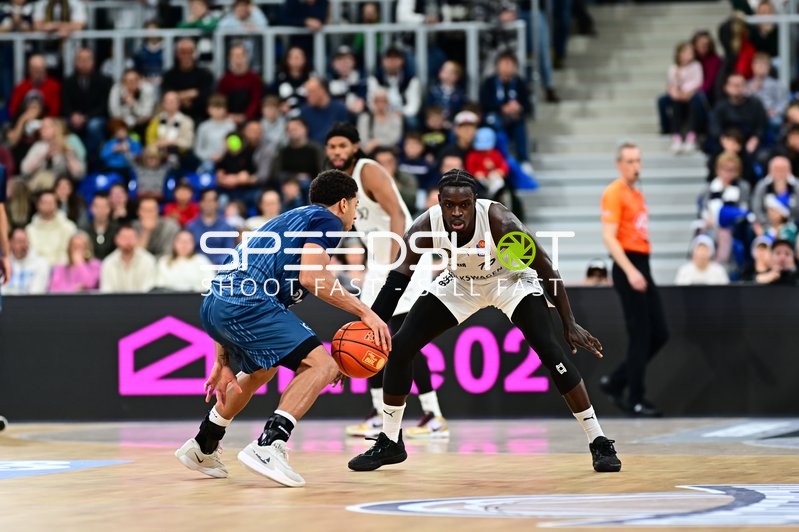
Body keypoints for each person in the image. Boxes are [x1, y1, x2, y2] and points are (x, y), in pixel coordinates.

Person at [347, 169, 621, 473]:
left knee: (550, 351)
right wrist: (368, 324)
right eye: (449, 205)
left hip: (510, 280)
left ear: (475, 201)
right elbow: (396, 282)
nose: (456, 212)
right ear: (439, 203)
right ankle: (391, 442)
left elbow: (546, 268)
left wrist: (568, 321)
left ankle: (598, 440)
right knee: (400, 349)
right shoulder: (425, 226)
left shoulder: (500, 222)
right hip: (461, 282)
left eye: (463, 204)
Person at [174, 170, 391, 487]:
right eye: (356, 205)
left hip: (217, 302)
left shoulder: (290, 221)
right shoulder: (326, 220)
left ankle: (203, 444)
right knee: (323, 365)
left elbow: (230, 278)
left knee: (264, 369)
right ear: (343, 204)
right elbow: (312, 277)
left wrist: (222, 362)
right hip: (245, 302)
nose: (355, 214)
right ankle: (269, 444)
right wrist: (366, 313)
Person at [324, 123, 448, 439]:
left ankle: (433, 415)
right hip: (379, 263)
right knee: (372, 333)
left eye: (342, 145)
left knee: (403, 337)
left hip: (403, 260)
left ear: (355, 146)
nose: (337, 151)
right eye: (332, 146)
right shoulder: (340, 182)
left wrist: (396, 264)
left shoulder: (368, 171)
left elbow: (399, 216)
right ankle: (381, 412)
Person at [600, 143, 668, 417]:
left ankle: (616, 382)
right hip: (628, 263)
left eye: (638, 160)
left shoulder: (636, 194)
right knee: (640, 335)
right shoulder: (614, 192)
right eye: (629, 161)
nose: (635, 166)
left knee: (660, 333)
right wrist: (630, 270)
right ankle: (636, 398)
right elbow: (609, 236)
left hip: (642, 263)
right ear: (619, 164)